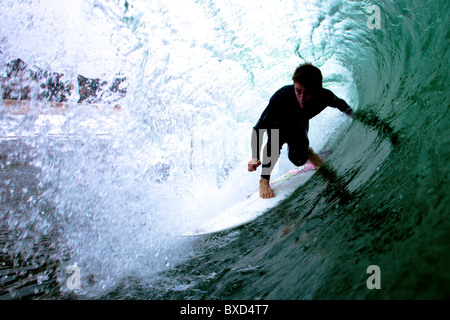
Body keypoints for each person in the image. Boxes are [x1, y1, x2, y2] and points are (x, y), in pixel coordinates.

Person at [248, 63, 354, 199]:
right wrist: (255, 156)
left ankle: (308, 152)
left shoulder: (324, 97)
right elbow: (258, 128)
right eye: (298, 91)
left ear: (317, 90)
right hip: (277, 127)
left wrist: (354, 115)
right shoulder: (280, 97)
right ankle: (264, 180)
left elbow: (340, 104)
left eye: (308, 93)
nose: (302, 98)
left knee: (298, 160)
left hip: (298, 126)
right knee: (273, 145)